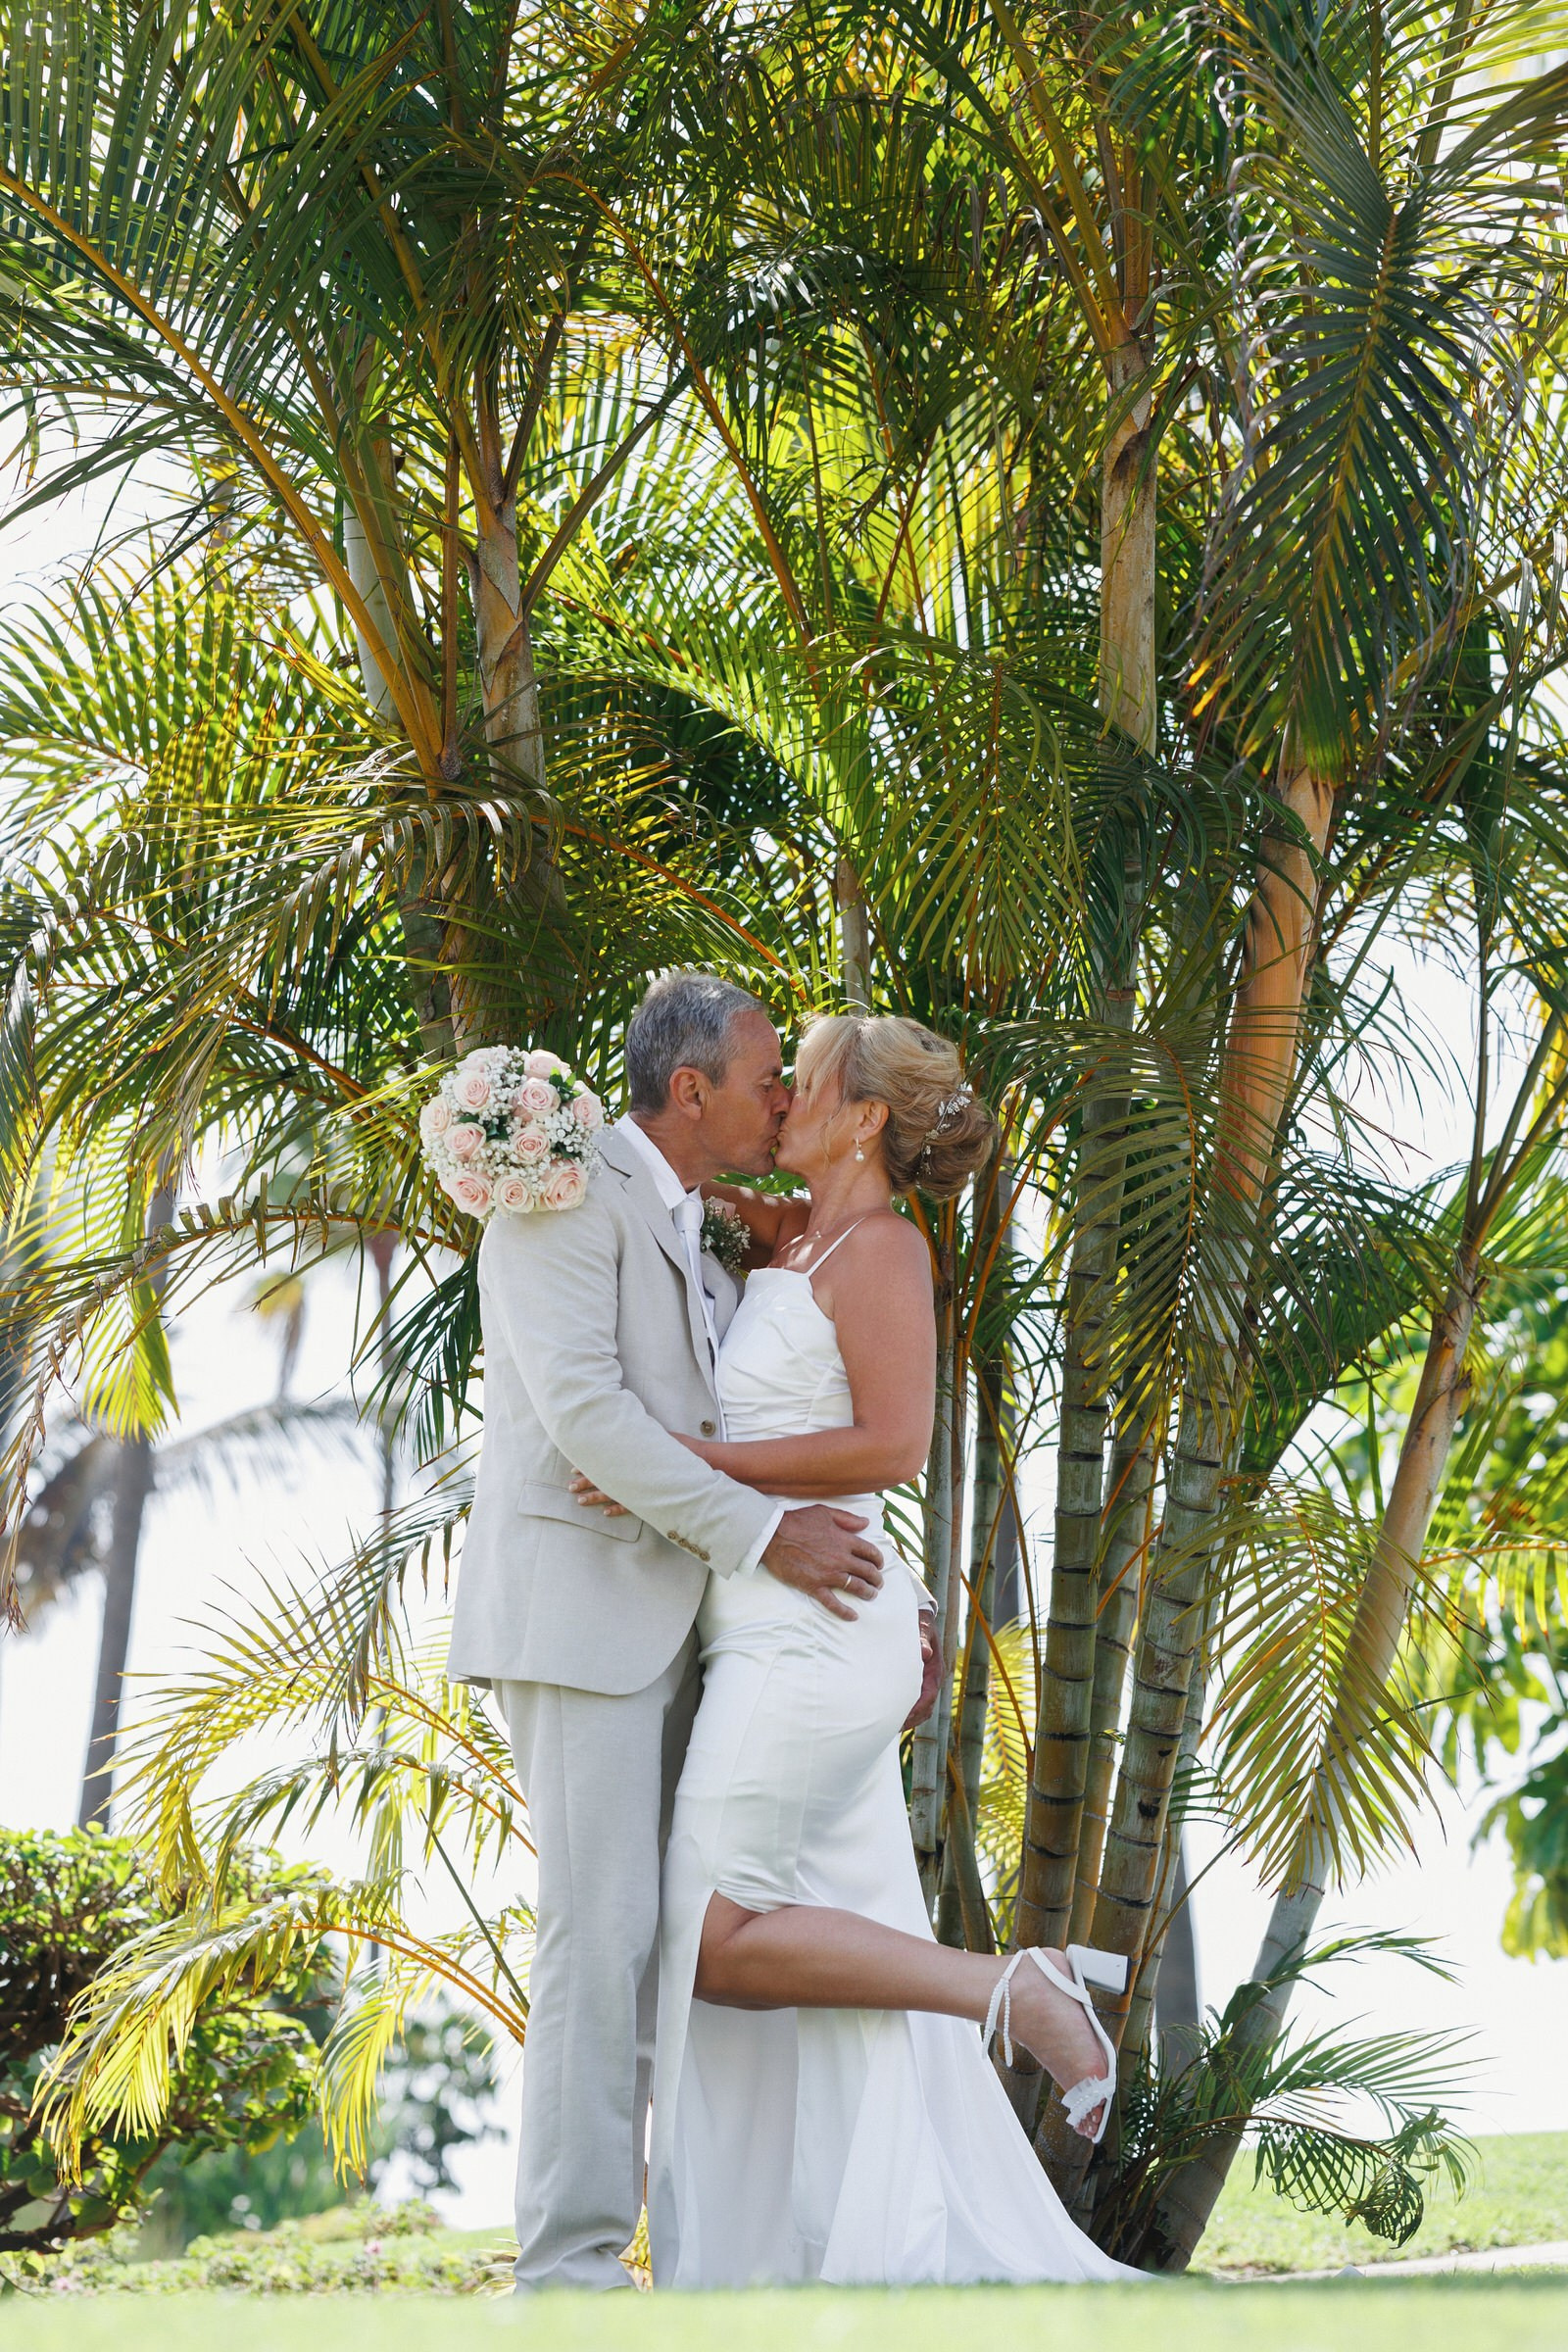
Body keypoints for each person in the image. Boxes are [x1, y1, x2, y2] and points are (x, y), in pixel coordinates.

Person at [573, 1012, 1143, 2286]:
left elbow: (894, 1447)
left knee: (711, 1939)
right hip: (767, 1629)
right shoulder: (793, 1232)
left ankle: (1018, 1987)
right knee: (820, 1928)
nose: (781, 1095)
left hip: (820, 1641)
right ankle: (823, 2244)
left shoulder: (882, 1251)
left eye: (807, 1078)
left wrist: (684, 1465)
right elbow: (653, 1185)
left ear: (866, 1115)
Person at [446, 973, 940, 2292]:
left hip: (691, 1636)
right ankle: (568, 2277)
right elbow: (589, 1422)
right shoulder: (559, 1198)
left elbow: (784, 1421)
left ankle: (687, 2254)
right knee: (597, 1943)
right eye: (767, 1076)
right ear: (690, 1091)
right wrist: (767, 1538)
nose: (782, 1096)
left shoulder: (713, 1231)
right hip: (583, 1624)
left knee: (669, 1946)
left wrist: (907, 1601)